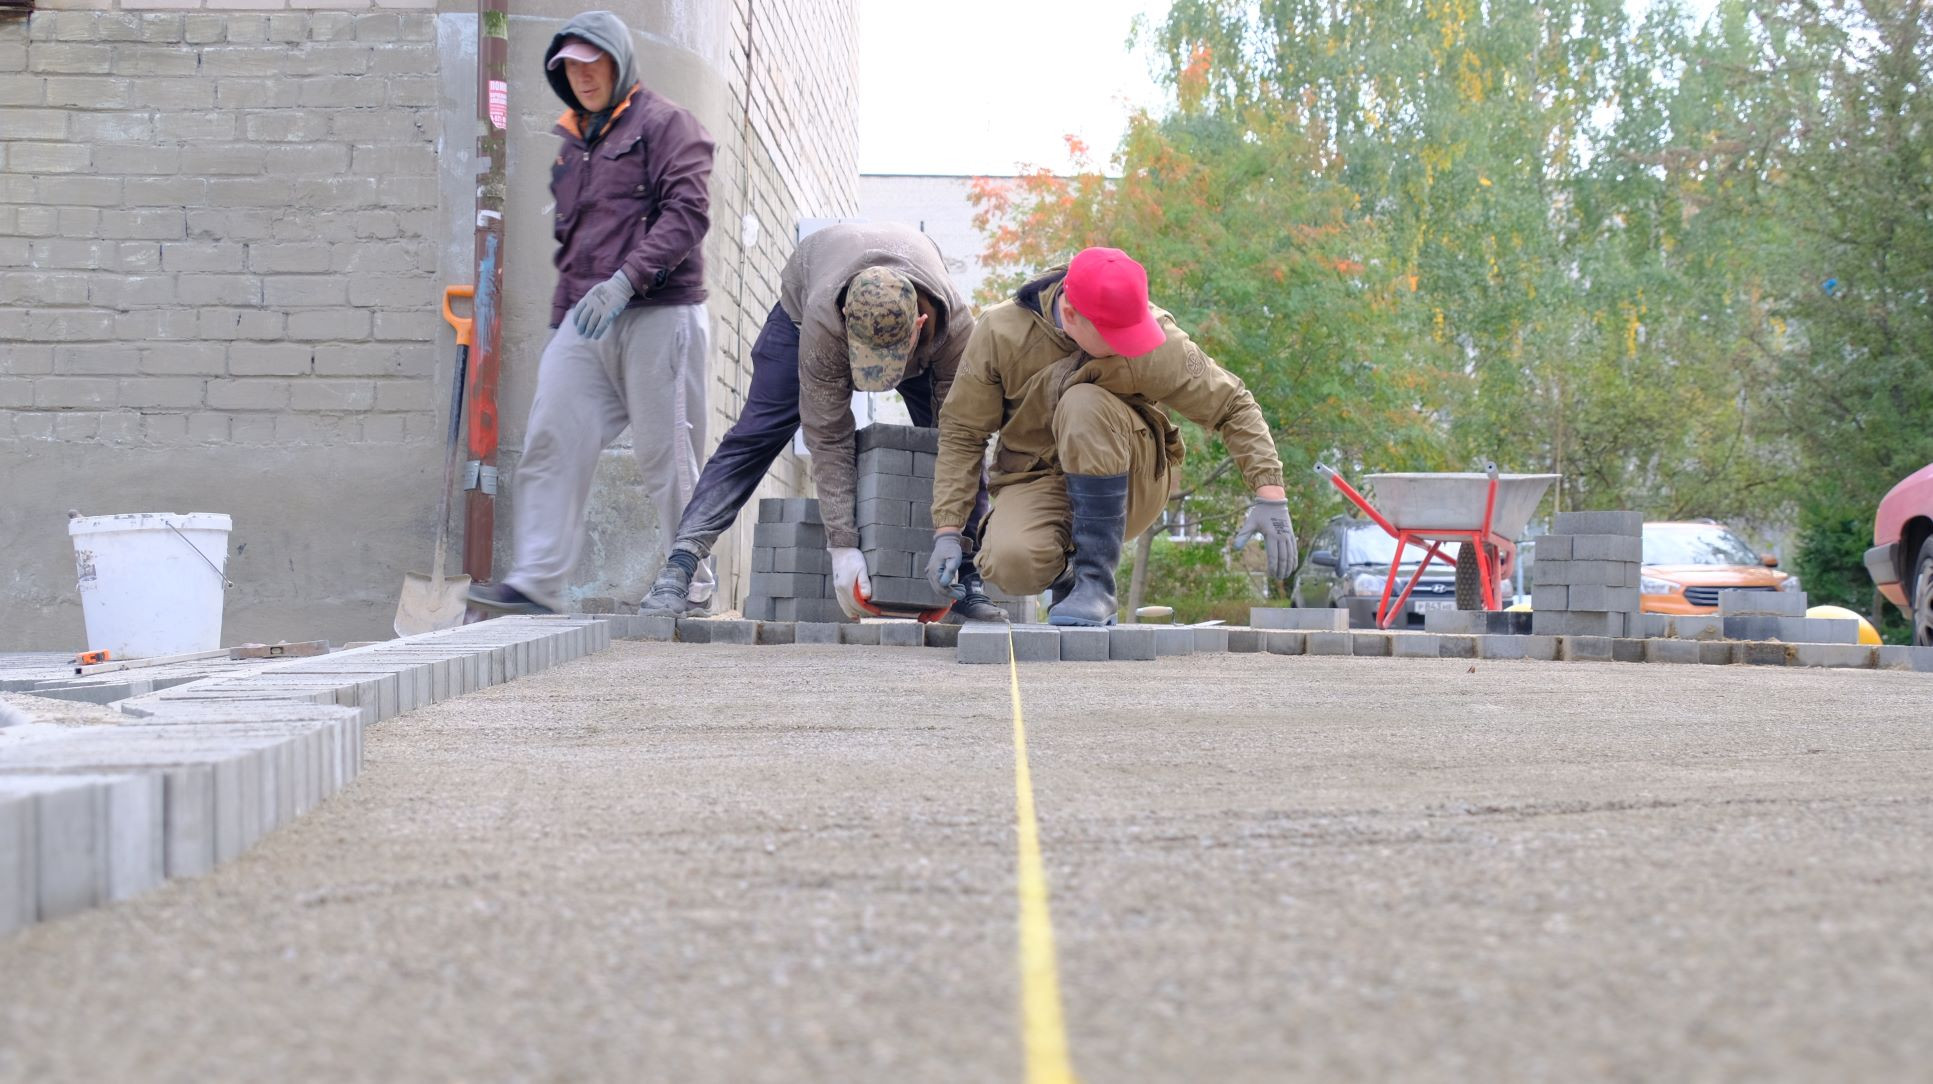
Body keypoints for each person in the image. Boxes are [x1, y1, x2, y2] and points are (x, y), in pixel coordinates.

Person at [468, 11, 717, 617]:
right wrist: (564, 324)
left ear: (618, 61)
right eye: (570, 67)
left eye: (592, 62)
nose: (582, 76)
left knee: (666, 457)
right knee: (552, 436)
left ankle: (694, 581)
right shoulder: (573, 145)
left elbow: (688, 212)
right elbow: (574, 245)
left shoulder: (667, 124)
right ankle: (536, 584)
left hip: (660, 313)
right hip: (585, 321)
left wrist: (626, 281)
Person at [637, 222, 1007, 622]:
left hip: (923, 340)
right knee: (754, 436)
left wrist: (951, 536)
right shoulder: (824, 319)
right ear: (847, 317)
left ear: (919, 323)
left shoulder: (956, 333)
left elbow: (959, 443)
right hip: (805, 304)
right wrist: (842, 546)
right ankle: (680, 566)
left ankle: (966, 578)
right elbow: (829, 436)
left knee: (953, 439)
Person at [925, 246, 1298, 626]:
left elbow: (1233, 404)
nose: (1131, 345)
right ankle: (1070, 575)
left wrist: (1270, 495)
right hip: (1038, 479)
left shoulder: (1157, 340)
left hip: (1132, 477)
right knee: (1009, 563)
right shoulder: (1001, 333)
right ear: (1071, 315)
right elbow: (963, 432)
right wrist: (949, 530)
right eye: (1118, 335)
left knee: (1083, 403)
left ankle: (1096, 586)